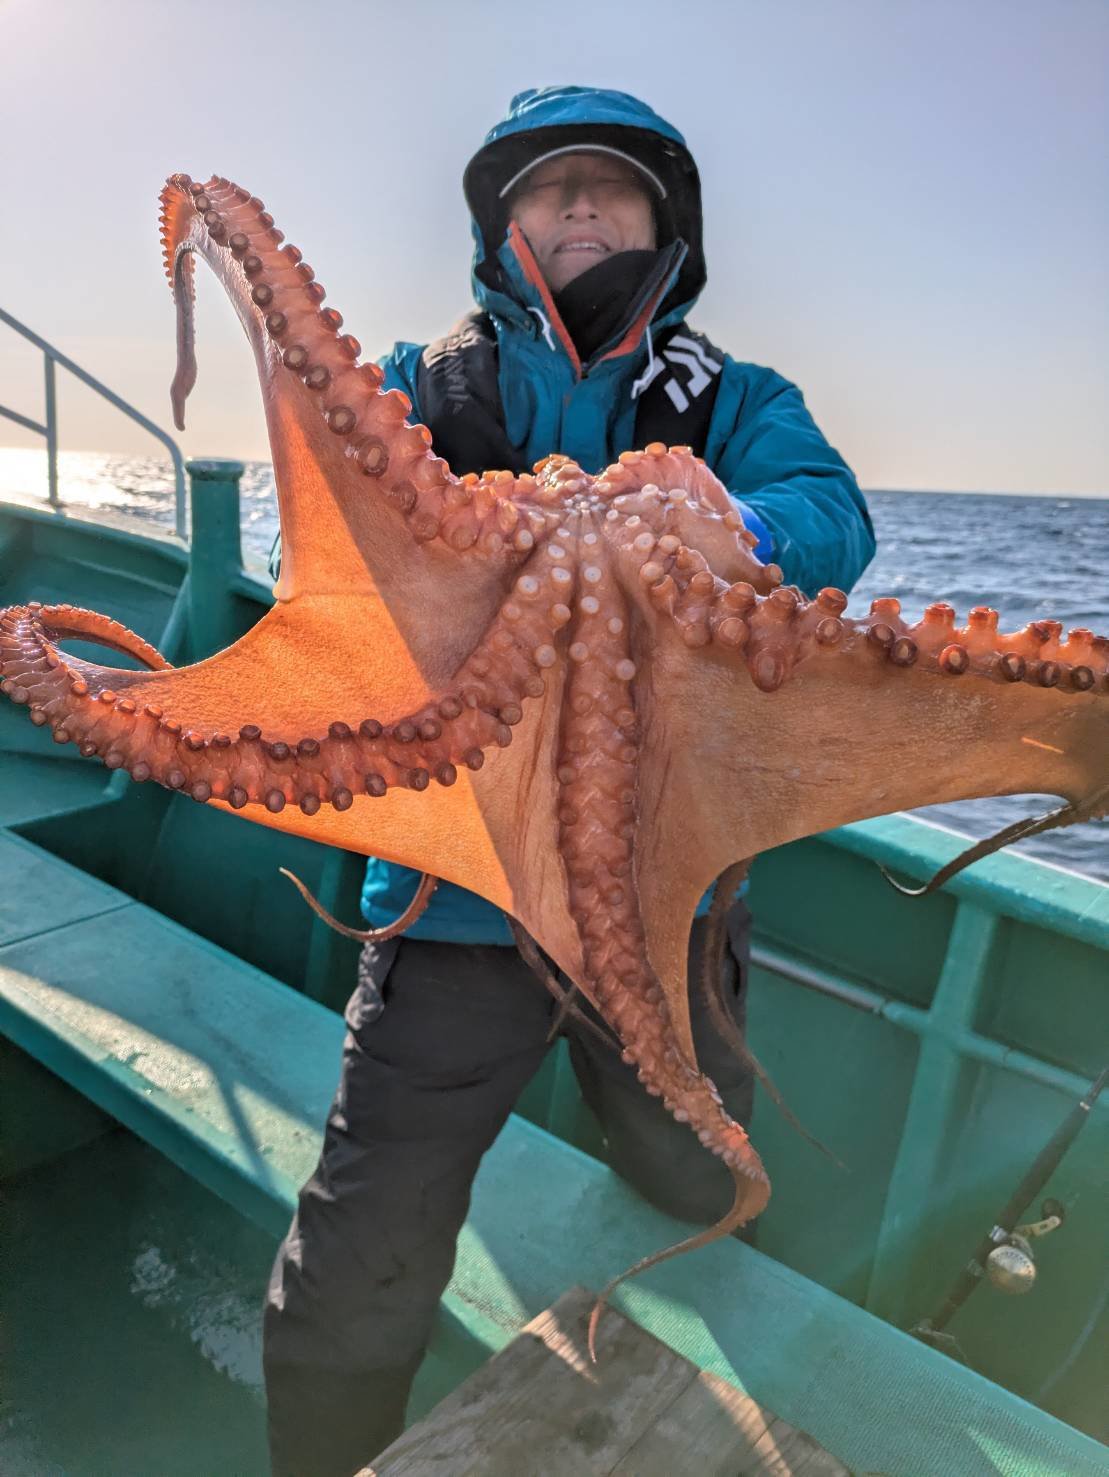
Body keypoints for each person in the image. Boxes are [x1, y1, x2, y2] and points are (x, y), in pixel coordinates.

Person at [262, 85, 875, 1477]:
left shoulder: (734, 401)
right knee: (368, 1231)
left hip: (664, 906)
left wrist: (719, 521)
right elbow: (297, 521)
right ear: (506, 223)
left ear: (664, 224)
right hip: (451, 900)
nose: (582, 203)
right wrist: (454, 535)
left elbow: (833, 518)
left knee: (696, 1174)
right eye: (549, 186)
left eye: (613, 186)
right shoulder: (417, 384)